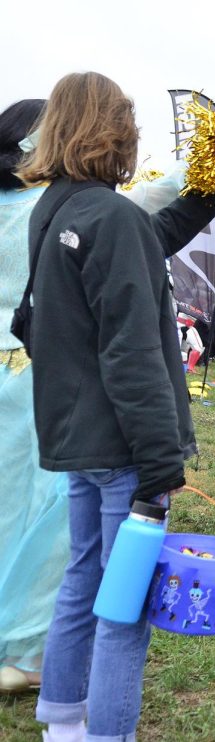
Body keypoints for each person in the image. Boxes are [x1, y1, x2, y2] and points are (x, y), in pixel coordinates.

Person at [19, 70, 215, 742]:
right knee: (126, 595)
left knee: (85, 578)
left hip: (80, 436)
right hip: (122, 441)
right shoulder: (106, 217)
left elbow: (147, 236)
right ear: (113, 131)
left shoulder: (60, 209)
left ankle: (64, 740)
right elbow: (132, 350)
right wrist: (159, 459)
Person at [0, 98, 72, 698]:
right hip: (36, 374)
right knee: (46, 509)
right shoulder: (52, 209)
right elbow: (154, 199)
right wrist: (211, 164)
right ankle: (27, 649)